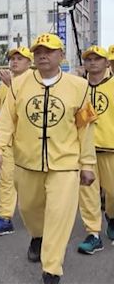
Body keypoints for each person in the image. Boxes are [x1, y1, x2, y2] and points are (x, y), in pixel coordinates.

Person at [0, 33, 96, 284]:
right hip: (26, 162)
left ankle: (51, 269)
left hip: (65, 164)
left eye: (49, 51)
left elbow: (85, 129)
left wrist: (87, 164)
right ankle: (37, 235)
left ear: (61, 55)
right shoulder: (19, 84)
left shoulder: (79, 88)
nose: (42, 55)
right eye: (38, 51)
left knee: (59, 216)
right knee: (28, 208)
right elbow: (6, 120)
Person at [0, 46, 33, 236]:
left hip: (30, 141)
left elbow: (27, 104)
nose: (14, 61)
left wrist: (12, 83)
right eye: (12, 58)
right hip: (8, 140)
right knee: (6, 179)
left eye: (20, 58)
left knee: (32, 183)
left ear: (29, 62)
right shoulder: (5, 84)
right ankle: (5, 218)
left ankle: (39, 218)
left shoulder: (35, 80)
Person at [77, 45, 114, 254]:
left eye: (97, 59)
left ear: (106, 62)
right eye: (88, 59)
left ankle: (112, 217)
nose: (92, 62)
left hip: (111, 148)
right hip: (86, 152)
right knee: (88, 194)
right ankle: (93, 234)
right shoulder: (79, 88)